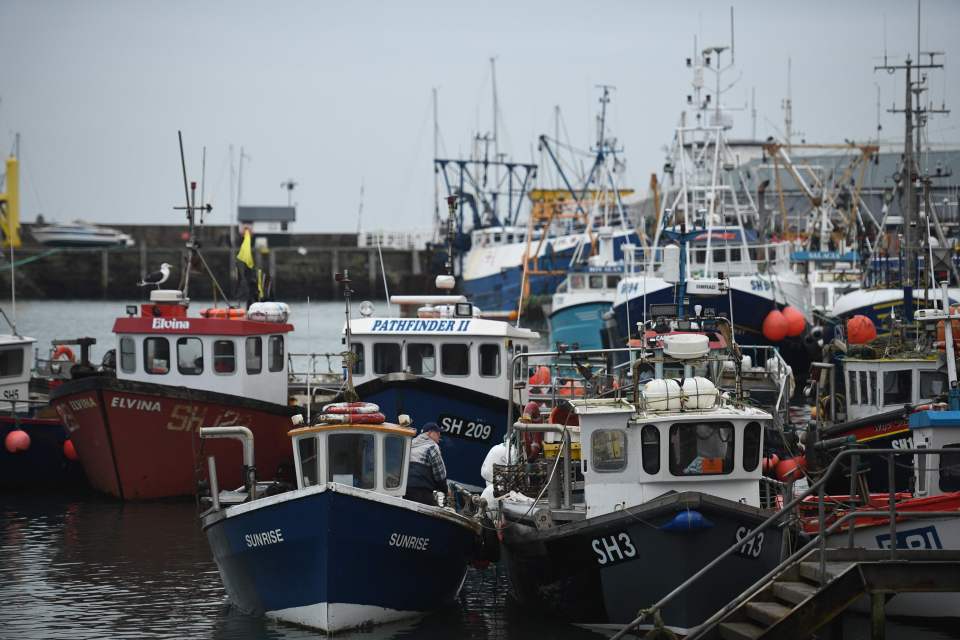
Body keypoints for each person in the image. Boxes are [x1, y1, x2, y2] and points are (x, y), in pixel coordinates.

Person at [404, 422, 447, 505]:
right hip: (421, 492)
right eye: (437, 432)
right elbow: (439, 474)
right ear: (430, 433)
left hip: (403, 490)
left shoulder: (410, 443)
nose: (439, 435)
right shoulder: (432, 446)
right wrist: (445, 490)